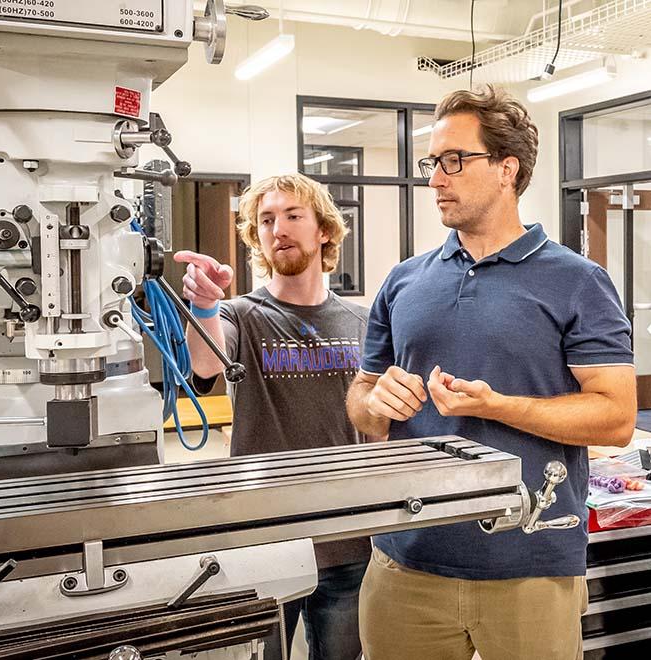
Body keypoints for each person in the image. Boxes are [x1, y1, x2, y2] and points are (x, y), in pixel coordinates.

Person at [346, 85, 637, 660]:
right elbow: (360, 396)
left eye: (454, 160)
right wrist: (376, 401)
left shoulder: (578, 282)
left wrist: (496, 405)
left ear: (508, 168)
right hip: (406, 559)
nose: (435, 178)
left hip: (528, 565)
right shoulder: (405, 280)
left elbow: (615, 417)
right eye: (433, 162)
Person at [174, 173, 370, 660]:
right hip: (267, 540)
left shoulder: (362, 323)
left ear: (324, 230)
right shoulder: (241, 315)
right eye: (266, 220)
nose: (278, 228)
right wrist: (204, 305)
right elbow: (204, 364)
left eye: (292, 215)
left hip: (349, 541)